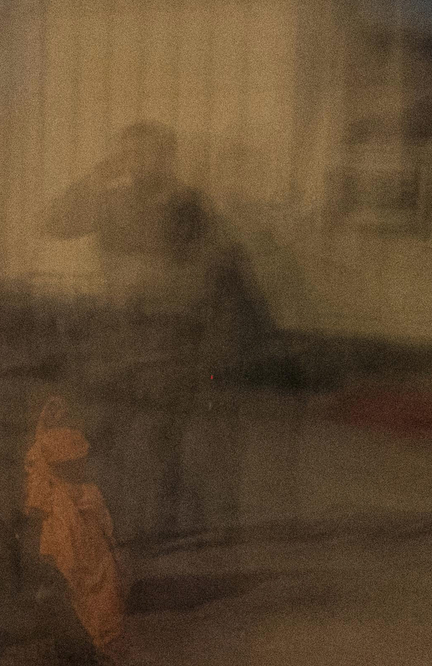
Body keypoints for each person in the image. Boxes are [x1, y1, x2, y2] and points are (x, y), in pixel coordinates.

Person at [41, 121, 268, 541]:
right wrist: (94, 178)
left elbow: (213, 273)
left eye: (149, 153)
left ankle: (162, 532)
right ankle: (132, 527)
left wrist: (152, 283)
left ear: (167, 157)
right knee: (107, 440)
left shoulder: (189, 207)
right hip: (116, 343)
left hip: (169, 346)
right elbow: (53, 222)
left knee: (156, 444)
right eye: (130, 154)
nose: (139, 163)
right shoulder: (111, 201)